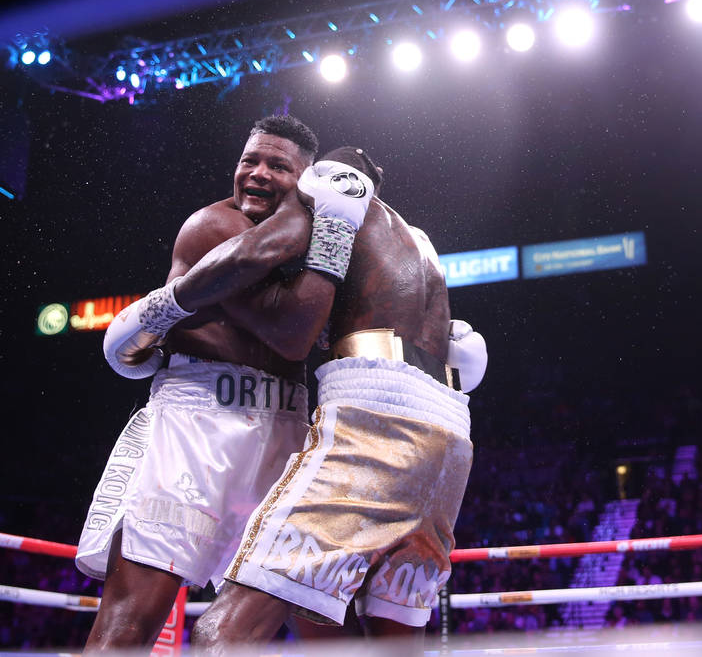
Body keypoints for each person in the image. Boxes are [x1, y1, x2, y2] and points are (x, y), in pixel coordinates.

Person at [145, 145, 486, 650]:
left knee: (222, 630)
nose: (274, 182)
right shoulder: (417, 242)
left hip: (376, 414)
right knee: (395, 643)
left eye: (285, 172)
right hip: (450, 436)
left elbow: (252, 252)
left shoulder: (331, 188)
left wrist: (159, 309)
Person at [77, 115, 330, 650]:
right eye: (248, 161)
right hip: (197, 425)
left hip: (285, 428)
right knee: (132, 615)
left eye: (277, 166)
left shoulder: (316, 245)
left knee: (320, 618)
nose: (257, 174)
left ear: (306, 181)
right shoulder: (213, 230)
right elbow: (291, 336)